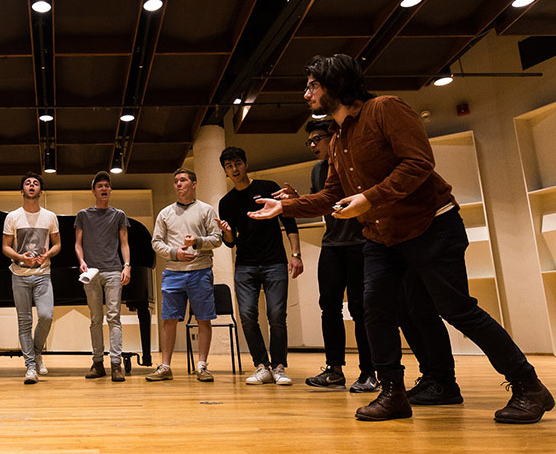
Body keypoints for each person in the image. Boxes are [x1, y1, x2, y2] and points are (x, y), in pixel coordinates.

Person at [251, 53, 553, 423]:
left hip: (431, 225)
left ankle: (529, 386)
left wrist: (368, 198)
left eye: (312, 85)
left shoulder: (385, 109)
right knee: (375, 308)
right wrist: (285, 208)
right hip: (383, 236)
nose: (306, 94)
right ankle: (393, 393)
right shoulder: (339, 137)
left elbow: (418, 164)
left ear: (336, 84)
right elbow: (332, 194)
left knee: (457, 310)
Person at [274, 119, 377, 392]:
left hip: (360, 244)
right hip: (332, 245)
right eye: (308, 142)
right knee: (328, 308)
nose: (312, 146)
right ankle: (334, 370)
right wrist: (296, 199)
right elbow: (321, 201)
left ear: (333, 136)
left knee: (360, 309)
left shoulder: (353, 162)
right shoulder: (318, 170)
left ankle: (369, 372)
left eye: (316, 139)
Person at [217, 147, 302, 386]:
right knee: (246, 316)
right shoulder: (227, 202)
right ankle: (261, 366)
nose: (234, 169)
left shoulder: (266, 187)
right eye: (229, 166)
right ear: (225, 171)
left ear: (245, 164)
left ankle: (279, 366)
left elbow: (289, 222)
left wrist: (296, 254)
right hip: (245, 265)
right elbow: (230, 242)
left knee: (276, 315)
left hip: (275, 261)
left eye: (237, 164)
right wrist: (226, 232)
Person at [147, 168, 222, 382]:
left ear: (194, 184)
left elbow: (217, 239)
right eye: (176, 181)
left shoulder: (206, 210)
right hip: (173, 272)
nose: (178, 184)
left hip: (200, 271)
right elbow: (156, 242)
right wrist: (175, 253)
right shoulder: (165, 213)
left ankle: (202, 366)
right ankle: (165, 366)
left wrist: (197, 241)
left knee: (203, 319)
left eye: (183, 180)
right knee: (169, 320)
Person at [2, 172, 61, 385]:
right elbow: (5, 247)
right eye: (27, 183)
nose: (31, 185)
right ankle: (30, 366)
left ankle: (37, 353)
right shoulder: (12, 217)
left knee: (46, 316)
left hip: (43, 274)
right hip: (19, 275)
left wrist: (48, 254)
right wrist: (19, 257)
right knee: (24, 321)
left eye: (35, 183)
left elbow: (57, 244)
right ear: (22, 191)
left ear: (40, 191)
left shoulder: (50, 217)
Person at [74, 171, 131, 382]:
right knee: (95, 318)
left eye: (107, 185)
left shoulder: (119, 215)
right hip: (91, 272)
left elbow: (124, 243)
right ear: (93, 191)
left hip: (114, 270)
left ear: (110, 190)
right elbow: (78, 244)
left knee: (114, 317)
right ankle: (97, 362)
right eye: (100, 186)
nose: (104, 188)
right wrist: (81, 261)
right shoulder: (83, 215)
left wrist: (127, 266)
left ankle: (116, 364)